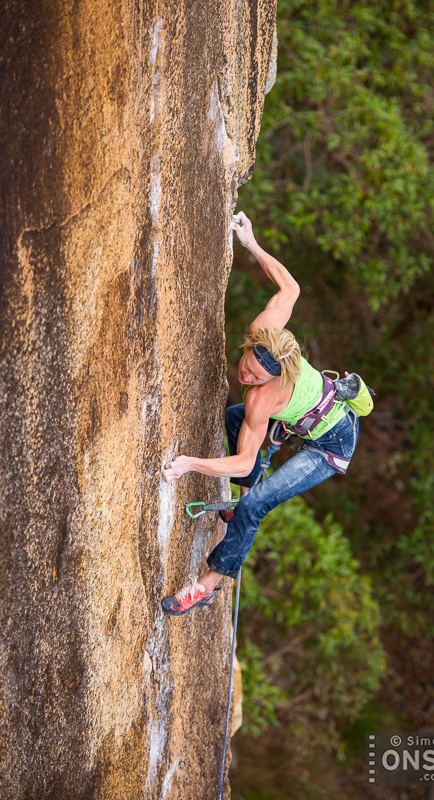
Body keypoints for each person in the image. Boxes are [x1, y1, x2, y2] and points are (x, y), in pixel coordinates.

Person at [161, 211, 359, 615]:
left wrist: (190, 465)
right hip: (316, 416)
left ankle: (207, 584)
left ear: (273, 379)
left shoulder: (263, 397)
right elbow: (290, 288)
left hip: (333, 443)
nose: (246, 375)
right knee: (236, 419)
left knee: (255, 507)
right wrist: (251, 242)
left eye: (255, 377)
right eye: (248, 365)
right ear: (254, 343)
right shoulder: (267, 329)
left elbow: (244, 460)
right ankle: (244, 500)